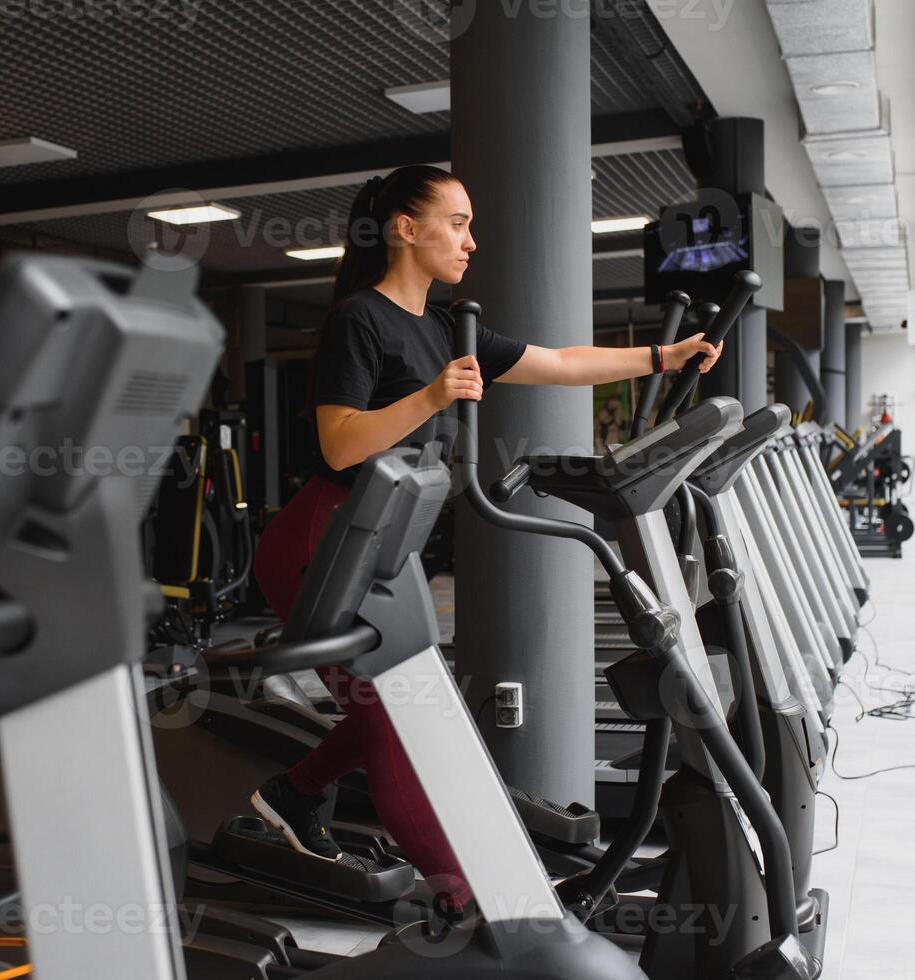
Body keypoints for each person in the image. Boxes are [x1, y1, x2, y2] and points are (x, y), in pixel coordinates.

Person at [249, 165, 723, 911]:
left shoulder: (445, 327)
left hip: (384, 543)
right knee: (393, 719)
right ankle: (473, 904)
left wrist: (665, 356)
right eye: (458, 222)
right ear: (404, 229)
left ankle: (293, 793)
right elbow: (340, 444)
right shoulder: (359, 320)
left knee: (412, 703)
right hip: (322, 539)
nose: (472, 240)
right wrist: (432, 395)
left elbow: (563, 363)